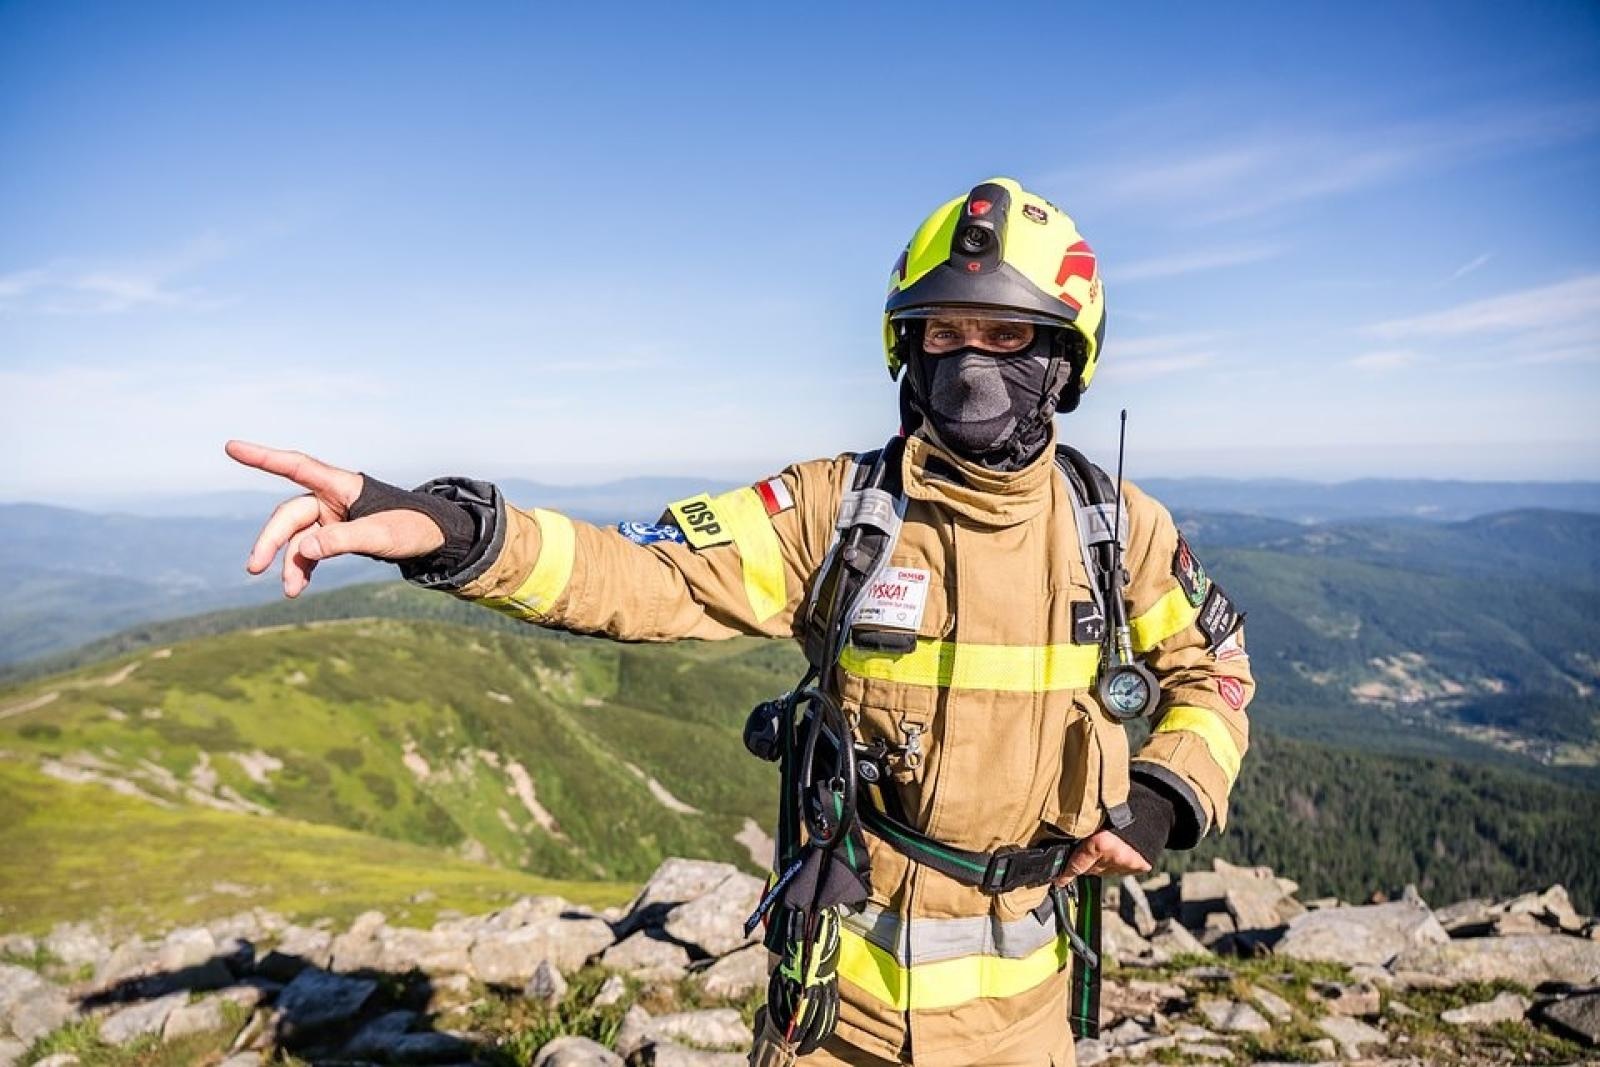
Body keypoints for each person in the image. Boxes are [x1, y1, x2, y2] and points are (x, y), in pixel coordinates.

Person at [229, 177, 1253, 1067]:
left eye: (1005, 333)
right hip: (830, 1014)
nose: (971, 359)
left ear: (1065, 356)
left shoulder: (1119, 528)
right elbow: (643, 571)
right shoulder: (837, 511)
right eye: (943, 331)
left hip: (1026, 1022)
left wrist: (1163, 796)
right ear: (907, 350)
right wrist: (453, 531)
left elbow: (1212, 673)